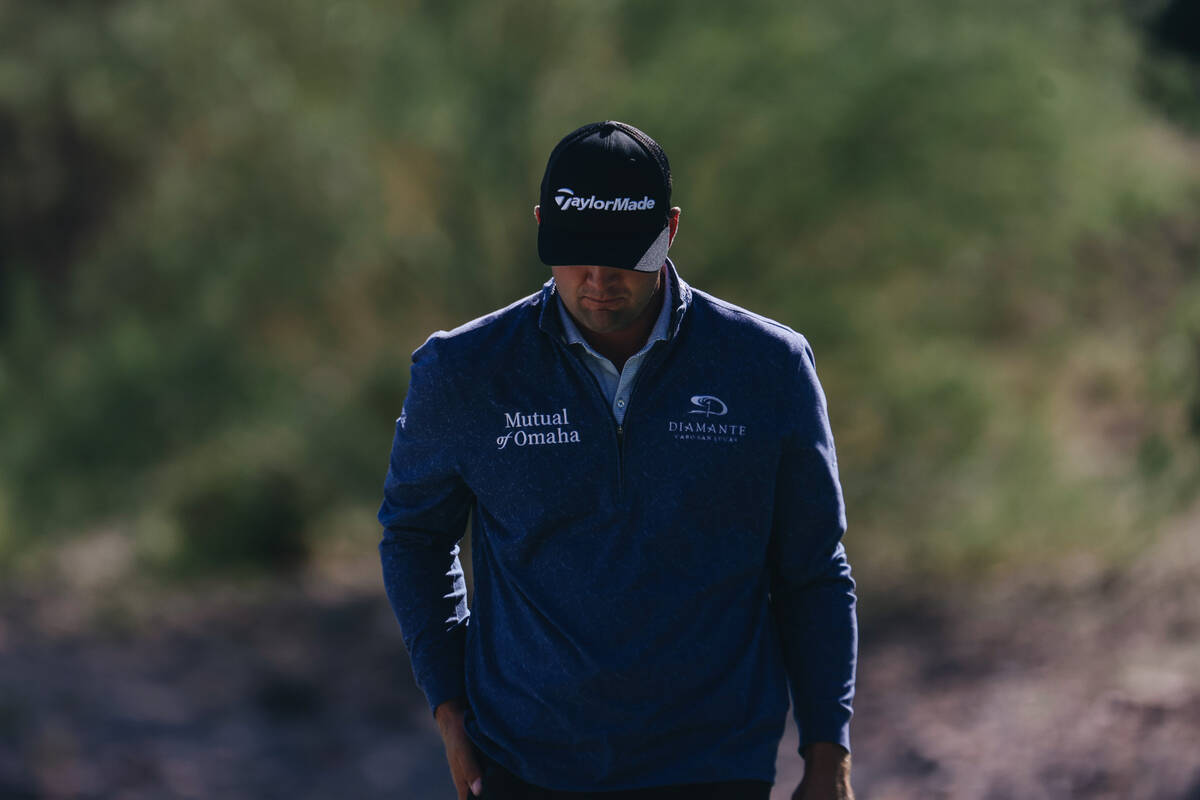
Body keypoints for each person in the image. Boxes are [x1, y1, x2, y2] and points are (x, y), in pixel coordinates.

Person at [379, 121, 857, 800]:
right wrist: (449, 708)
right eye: (576, 255)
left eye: (623, 256)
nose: (598, 280)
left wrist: (827, 751)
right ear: (542, 225)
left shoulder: (767, 367)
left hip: (713, 767)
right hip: (525, 766)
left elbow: (813, 569)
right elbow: (415, 538)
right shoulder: (464, 372)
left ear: (671, 230)